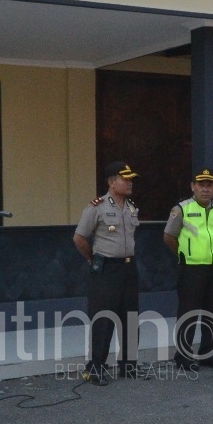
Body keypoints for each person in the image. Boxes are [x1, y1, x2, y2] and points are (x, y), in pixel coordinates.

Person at [73, 161, 141, 385]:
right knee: (103, 320)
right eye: (125, 179)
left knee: (130, 317)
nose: (130, 182)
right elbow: (80, 238)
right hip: (106, 269)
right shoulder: (97, 207)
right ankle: (96, 367)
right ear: (112, 182)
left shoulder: (131, 207)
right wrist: (93, 258)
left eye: (131, 179)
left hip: (128, 268)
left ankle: (129, 365)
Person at [164, 168, 213, 371]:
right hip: (191, 269)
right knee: (188, 313)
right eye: (201, 185)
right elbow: (169, 237)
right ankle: (182, 356)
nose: (205, 189)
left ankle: (207, 354)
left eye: (209, 185)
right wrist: (185, 255)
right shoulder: (181, 209)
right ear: (193, 186)